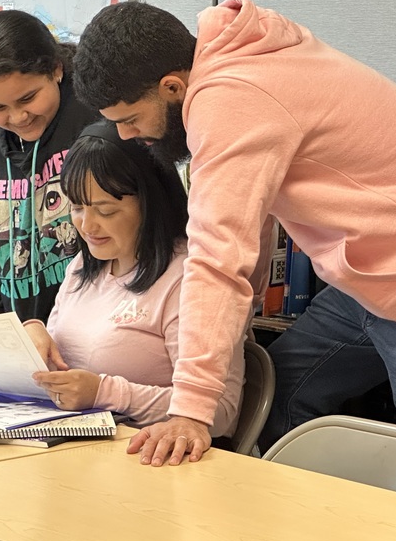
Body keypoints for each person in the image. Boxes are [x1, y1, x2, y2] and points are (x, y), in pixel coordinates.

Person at [73, 0, 396, 541]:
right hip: (375, 280)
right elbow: (249, 234)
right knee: (279, 397)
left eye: (132, 118)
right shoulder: (238, 58)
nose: (128, 136)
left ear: (173, 85)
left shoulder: (229, 96)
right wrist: (223, 343)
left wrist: (190, 409)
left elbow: (217, 259)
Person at [28, 121, 243, 436]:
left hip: (153, 459)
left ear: (150, 204)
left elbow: (221, 413)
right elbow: (68, 366)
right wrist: (34, 337)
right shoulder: (84, 265)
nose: (87, 226)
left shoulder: (191, 280)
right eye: (76, 207)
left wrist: (105, 394)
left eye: (107, 211)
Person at [0, 10, 99, 323]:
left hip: (96, 338)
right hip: (19, 344)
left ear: (55, 70)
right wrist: (4, 328)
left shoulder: (98, 128)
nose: (17, 117)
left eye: (28, 98)